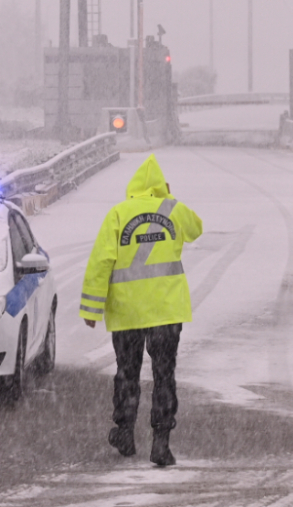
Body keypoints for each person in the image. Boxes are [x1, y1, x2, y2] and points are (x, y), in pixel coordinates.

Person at [80, 155, 203, 466]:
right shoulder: (172, 210)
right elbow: (196, 229)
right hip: (166, 311)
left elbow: (100, 263)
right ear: (161, 186)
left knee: (127, 373)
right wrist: (168, 199)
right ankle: (161, 443)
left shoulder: (118, 214)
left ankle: (124, 432)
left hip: (127, 312)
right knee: (164, 376)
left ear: (133, 186)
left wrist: (91, 309)